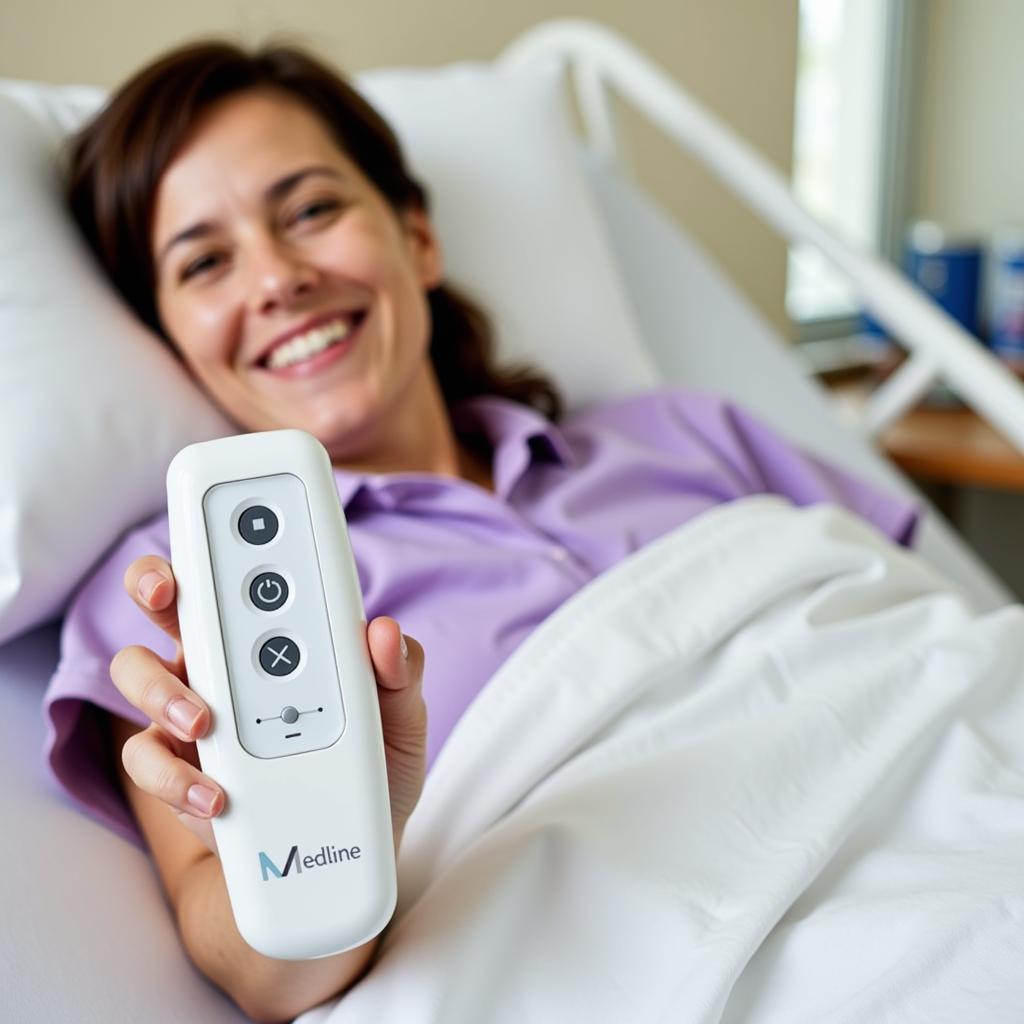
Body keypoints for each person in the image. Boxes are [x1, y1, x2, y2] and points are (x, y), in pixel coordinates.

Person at [42, 38, 922, 1023]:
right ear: (167, 342)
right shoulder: (173, 591)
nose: (277, 278)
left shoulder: (686, 431)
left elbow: (933, 647)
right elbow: (264, 971)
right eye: (204, 261)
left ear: (416, 238)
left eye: (312, 209)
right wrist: (334, 825)